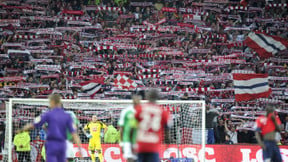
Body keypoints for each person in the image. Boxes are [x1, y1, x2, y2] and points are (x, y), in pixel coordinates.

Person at [18, 94, 82, 162]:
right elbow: (74, 132)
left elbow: (35, 124)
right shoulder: (68, 116)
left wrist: (22, 129)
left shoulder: (48, 114)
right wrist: (79, 148)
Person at [135, 89, 171, 162]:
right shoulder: (163, 112)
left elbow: (131, 126)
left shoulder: (139, 109)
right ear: (158, 98)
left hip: (140, 144)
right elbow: (167, 130)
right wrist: (168, 142)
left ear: (147, 97)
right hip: (153, 146)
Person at [118, 95, 140, 162]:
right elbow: (121, 127)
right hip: (127, 140)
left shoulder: (142, 110)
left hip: (139, 140)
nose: (136, 101)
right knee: (129, 159)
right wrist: (121, 143)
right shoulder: (126, 111)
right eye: (135, 99)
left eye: (138, 99)